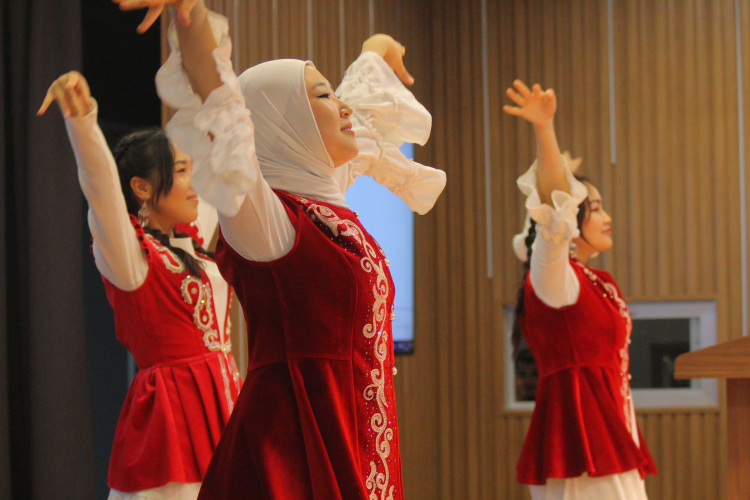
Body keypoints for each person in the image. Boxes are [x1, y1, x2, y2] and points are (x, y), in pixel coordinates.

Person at [115, 1, 446, 499]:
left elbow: (362, 109)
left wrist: (377, 48)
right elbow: (222, 105)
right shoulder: (267, 221)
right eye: (323, 95)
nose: (344, 107)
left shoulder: (324, 197)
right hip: (294, 461)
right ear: (283, 121)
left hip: (355, 446)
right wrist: (191, 16)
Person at [38, 71, 242, 500]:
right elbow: (100, 189)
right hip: (174, 422)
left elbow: (211, 140)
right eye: (181, 171)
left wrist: (200, 63)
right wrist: (83, 123)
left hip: (223, 408)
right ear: (142, 188)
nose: (194, 182)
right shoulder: (131, 260)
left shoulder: (191, 242)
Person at [504, 80, 657, 499]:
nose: (607, 218)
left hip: (613, 432)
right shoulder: (554, 275)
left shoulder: (596, 281)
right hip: (579, 443)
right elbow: (553, 210)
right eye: (596, 209)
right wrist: (544, 129)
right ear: (573, 222)